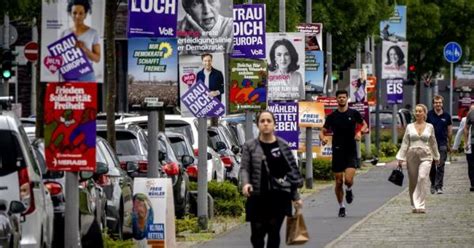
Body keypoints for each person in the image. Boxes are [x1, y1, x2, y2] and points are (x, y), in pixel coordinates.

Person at [241, 110, 304, 248]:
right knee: (257, 234)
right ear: (258, 125)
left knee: (274, 232)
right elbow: (245, 168)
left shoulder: (283, 146)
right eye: (262, 121)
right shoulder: (250, 146)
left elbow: (291, 174)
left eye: (269, 121)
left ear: (274, 125)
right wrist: (245, 184)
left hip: (279, 196)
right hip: (258, 196)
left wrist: (296, 197)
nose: (265, 124)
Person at [319, 90, 367, 217]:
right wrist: (323, 138)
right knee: (339, 181)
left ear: (347, 98)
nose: (341, 99)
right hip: (337, 151)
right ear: (336, 99)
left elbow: (364, 125)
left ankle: (349, 190)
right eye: (339, 97)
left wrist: (359, 132)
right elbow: (322, 131)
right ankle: (341, 207)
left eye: (344, 97)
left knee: (348, 180)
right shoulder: (332, 116)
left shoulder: (353, 113)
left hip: (350, 151)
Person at [396, 104, 440, 213]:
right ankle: (414, 204)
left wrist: (436, 156)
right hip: (412, 155)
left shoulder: (430, 127)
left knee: (422, 177)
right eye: (416, 111)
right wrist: (400, 157)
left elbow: (433, 142)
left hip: (426, 155)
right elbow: (405, 143)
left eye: (420, 111)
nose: (418, 113)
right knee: (413, 181)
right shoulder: (409, 126)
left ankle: (421, 205)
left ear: (424, 113)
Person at [61, 0, 100, 81]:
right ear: (70, 14)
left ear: (85, 15)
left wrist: (84, 49)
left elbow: (97, 59)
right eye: (74, 13)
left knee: (88, 93)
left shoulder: (93, 33)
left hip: (87, 73)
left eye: (81, 13)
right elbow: (61, 58)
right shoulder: (65, 33)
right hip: (70, 73)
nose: (77, 16)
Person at [426, 95, 452, 194]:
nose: (438, 104)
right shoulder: (429, 115)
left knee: (441, 165)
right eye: (436, 102)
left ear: (442, 103)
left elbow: (449, 131)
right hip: (430, 144)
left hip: (442, 143)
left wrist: (449, 143)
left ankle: (439, 186)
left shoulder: (447, 116)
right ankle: (433, 184)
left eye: (440, 102)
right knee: (432, 166)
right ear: (433, 104)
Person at [453, 104, 474, 192]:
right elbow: (459, 133)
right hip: (469, 145)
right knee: (471, 165)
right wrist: (455, 146)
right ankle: (472, 183)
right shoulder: (465, 120)